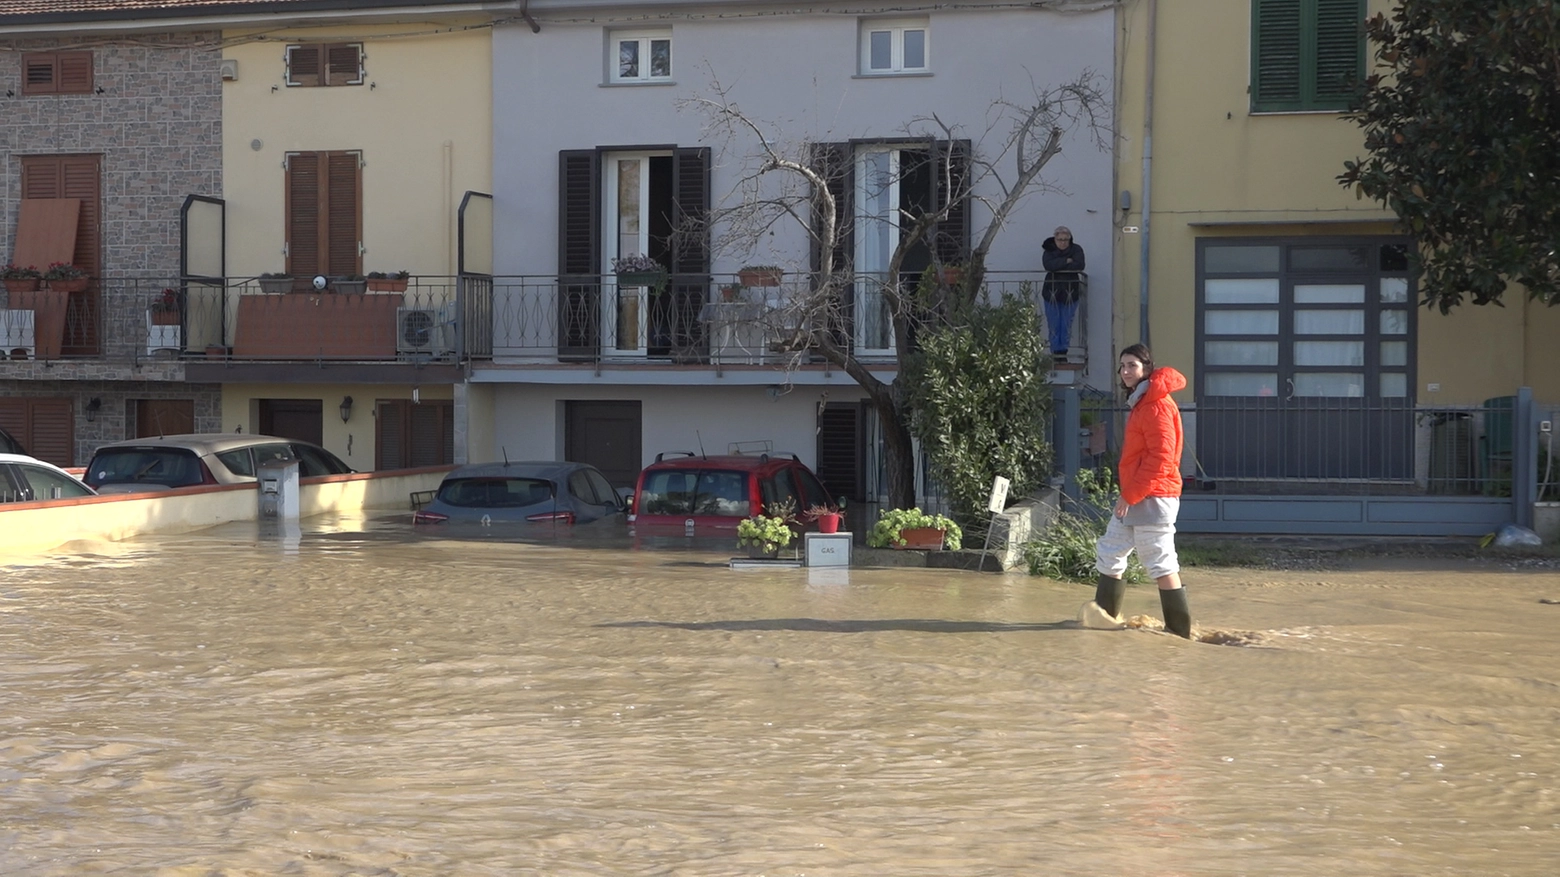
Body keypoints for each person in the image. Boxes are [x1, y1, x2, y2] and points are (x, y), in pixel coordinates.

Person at [1080, 343, 1193, 638]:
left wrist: (1130, 495)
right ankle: (1104, 620)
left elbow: (1161, 458)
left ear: (1146, 369)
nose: (1126, 371)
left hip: (1152, 496)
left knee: (1159, 561)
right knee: (1111, 549)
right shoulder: (1144, 402)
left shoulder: (1155, 404)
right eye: (1122, 365)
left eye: (1132, 365)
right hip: (1140, 494)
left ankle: (1179, 633)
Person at [1041, 226, 1085, 358]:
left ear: (1070, 239)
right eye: (1060, 239)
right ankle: (1055, 351)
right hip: (1051, 292)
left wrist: (1058, 264)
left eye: (1066, 239)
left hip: (1070, 292)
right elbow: (1048, 266)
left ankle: (1063, 352)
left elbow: (1079, 265)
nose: (1063, 242)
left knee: (1066, 323)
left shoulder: (1076, 249)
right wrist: (1066, 261)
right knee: (1053, 323)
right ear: (1055, 239)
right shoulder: (1048, 249)